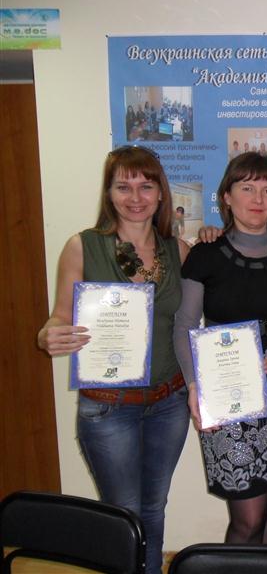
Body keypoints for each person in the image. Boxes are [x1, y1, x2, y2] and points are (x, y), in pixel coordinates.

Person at [37, 146, 191, 574]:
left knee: (154, 507)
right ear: (108, 193)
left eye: (146, 186)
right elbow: (59, 316)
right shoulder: (83, 246)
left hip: (169, 402)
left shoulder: (178, 250)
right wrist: (49, 334)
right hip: (108, 406)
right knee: (123, 514)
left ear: (161, 193)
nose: (135, 197)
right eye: (124, 186)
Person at [173, 151, 267, 545]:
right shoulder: (205, 256)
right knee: (248, 518)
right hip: (227, 391)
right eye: (247, 188)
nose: (258, 198)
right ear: (227, 196)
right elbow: (184, 324)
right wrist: (194, 387)